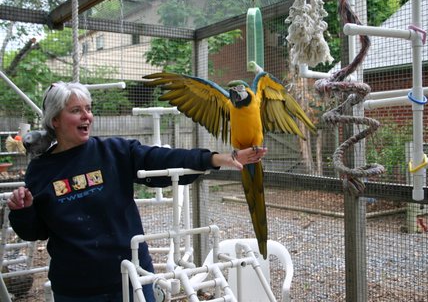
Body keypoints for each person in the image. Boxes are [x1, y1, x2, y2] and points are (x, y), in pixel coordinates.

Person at [7, 81, 267, 302]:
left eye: (89, 109)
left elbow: (163, 158)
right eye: (76, 111)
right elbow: (34, 231)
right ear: (55, 120)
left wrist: (216, 159)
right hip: (76, 286)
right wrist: (22, 210)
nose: (87, 116)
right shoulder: (41, 171)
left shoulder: (113, 152)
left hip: (130, 275)